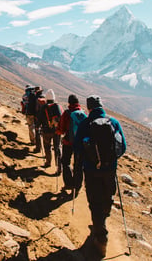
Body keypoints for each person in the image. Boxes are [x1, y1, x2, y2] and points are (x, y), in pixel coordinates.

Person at [73, 95, 127, 257]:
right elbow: (122, 147)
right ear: (101, 106)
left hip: (91, 171)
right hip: (110, 170)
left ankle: (101, 237)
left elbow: (77, 147)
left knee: (94, 202)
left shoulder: (85, 124)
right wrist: (110, 159)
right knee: (108, 196)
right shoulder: (114, 123)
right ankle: (102, 220)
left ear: (89, 108)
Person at [56, 94, 86, 192]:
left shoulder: (67, 113)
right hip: (80, 144)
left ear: (69, 103)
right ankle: (77, 186)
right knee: (78, 165)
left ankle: (69, 184)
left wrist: (58, 131)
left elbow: (61, 129)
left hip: (68, 142)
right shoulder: (83, 114)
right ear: (78, 103)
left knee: (65, 162)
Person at [37, 89, 62, 169]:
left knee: (47, 147)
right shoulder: (57, 106)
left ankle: (48, 162)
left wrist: (37, 126)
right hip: (56, 131)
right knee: (57, 148)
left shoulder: (44, 107)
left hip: (46, 130)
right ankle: (59, 167)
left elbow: (39, 119)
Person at [33, 86, 46, 153]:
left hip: (38, 117)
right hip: (45, 118)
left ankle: (38, 148)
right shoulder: (44, 98)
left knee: (37, 133)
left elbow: (36, 109)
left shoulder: (36, 99)